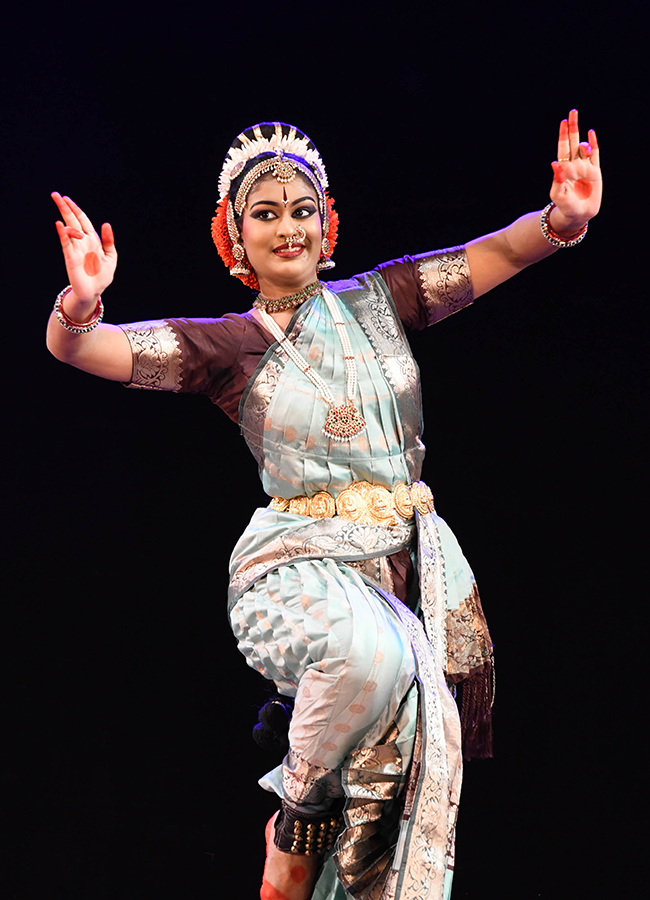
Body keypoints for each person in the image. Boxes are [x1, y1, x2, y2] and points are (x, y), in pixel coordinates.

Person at [47, 112, 602, 900]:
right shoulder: (227, 347)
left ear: (326, 222)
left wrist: (563, 221)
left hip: (400, 565)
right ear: (234, 236)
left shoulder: (382, 301)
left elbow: (500, 252)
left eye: (302, 210)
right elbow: (83, 349)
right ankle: (294, 820)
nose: (288, 228)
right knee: (372, 655)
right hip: (298, 567)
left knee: (400, 766)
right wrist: (80, 305)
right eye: (266, 214)